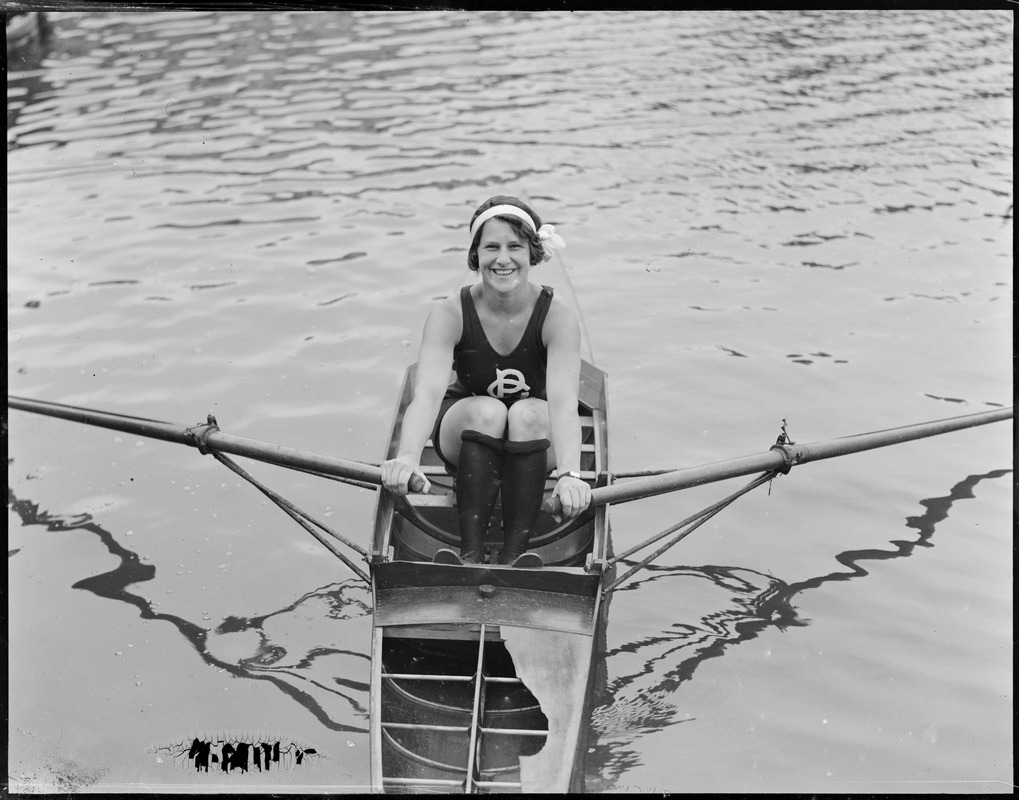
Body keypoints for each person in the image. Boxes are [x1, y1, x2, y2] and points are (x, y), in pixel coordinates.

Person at [380, 196, 592, 567]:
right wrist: (407, 457)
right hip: (465, 432)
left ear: (534, 254)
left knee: (526, 414)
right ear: (475, 255)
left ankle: (514, 555)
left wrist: (571, 474)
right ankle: (469, 553)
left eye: (515, 247)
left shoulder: (558, 318)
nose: (503, 258)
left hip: (536, 435)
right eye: (491, 247)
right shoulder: (449, 313)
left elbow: (562, 404)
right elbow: (427, 395)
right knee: (489, 412)